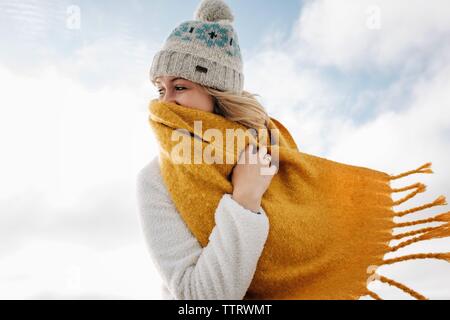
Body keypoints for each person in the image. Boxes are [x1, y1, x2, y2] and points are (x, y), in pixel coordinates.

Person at [136, 0, 276, 299]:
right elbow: (197, 298)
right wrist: (245, 200)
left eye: (180, 87)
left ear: (217, 93)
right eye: (160, 89)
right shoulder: (156, 179)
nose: (164, 102)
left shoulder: (271, 149)